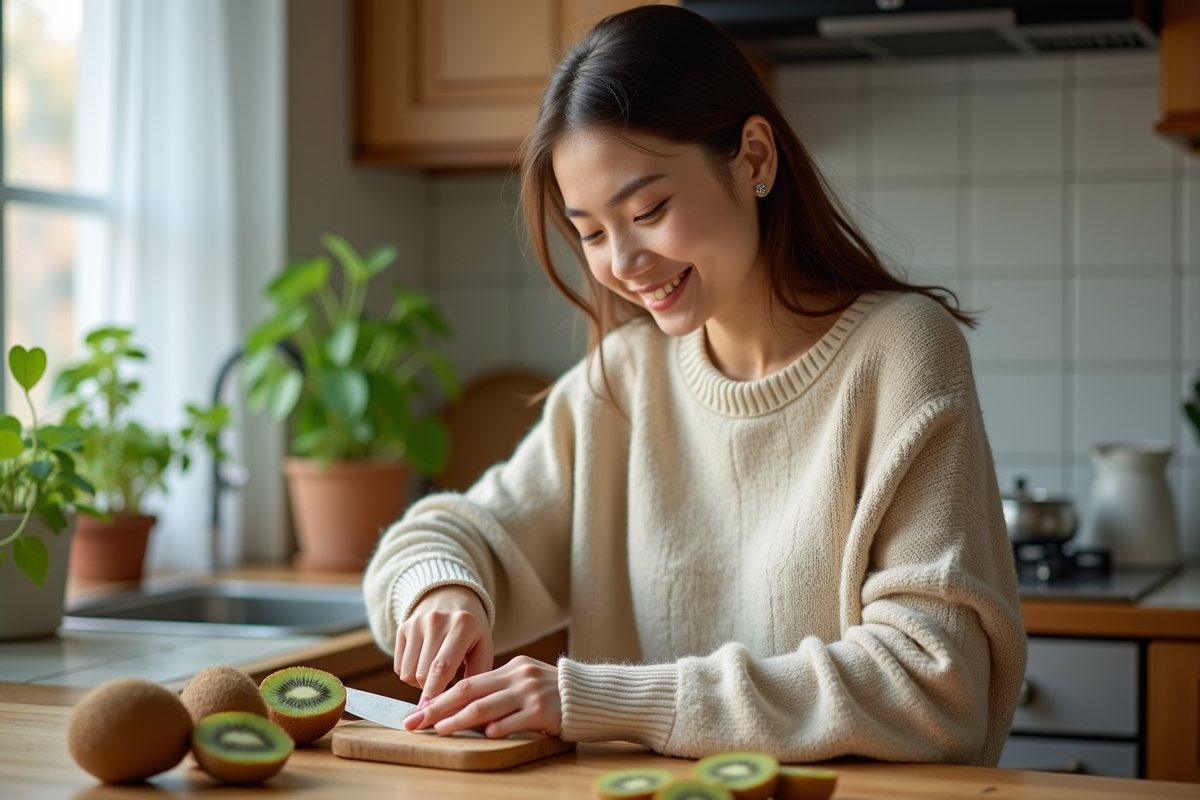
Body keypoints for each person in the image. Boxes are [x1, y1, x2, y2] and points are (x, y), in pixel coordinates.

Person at [363, 4, 1026, 767]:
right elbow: (442, 536)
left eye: (648, 209)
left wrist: (599, 700)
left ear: (753, 158)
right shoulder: (622, 379)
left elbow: (934, 686)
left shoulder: (901, 350)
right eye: (590, 231)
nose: (622, 263)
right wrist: (444, 590)